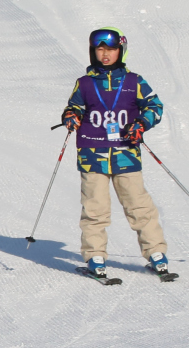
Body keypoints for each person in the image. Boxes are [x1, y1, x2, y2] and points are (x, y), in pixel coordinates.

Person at [61, 27, 172, 283]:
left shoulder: (134, 81)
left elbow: (155, 106)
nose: (105, 54)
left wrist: (142, 123)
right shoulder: (85, 83)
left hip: (125, 152)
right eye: (100, 49)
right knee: (95, 207)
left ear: (120, 51)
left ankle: (156, 253)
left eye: (110, 49)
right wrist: (71, 115)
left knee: (139, 205)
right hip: (92, 152)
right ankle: (94, 256)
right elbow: (74, 105)